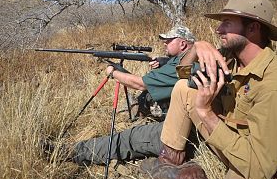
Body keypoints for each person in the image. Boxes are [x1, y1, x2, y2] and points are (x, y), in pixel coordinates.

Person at [140, 0, 277, 179]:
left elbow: (259, 168)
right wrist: (196, 48)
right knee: (185, 88)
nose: (218, 29)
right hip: (229, 139)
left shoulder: (274, 84)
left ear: (253, 28)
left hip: (256, 167)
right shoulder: (230, 56)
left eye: (226, 23)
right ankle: (169, 163)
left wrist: (206, 113)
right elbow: (182, 75)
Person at [42, 26, 197, 165]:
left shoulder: (182, 66)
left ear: (182, 44)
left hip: (179, 133)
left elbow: (140, 83)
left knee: (126, 139)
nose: (164, 44)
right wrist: (162, 62)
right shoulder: (182, 62)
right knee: (141, 99)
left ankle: (70, 152)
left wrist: (114, 72)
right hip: (183, 120)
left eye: (168, 41)